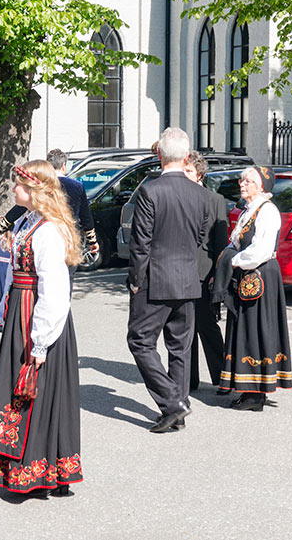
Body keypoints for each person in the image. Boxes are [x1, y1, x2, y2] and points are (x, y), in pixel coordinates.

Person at [0, 160, 83, 495]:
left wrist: (40, 342)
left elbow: (54, 290)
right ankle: (18, 464)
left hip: (38, 318)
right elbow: (15, 274)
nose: (13, 190)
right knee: (18, 390)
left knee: (38, 391)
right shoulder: (26, 222)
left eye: (18, 185)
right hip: (21, 314)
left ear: (35, 190)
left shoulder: (48, 230)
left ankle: (39, 470)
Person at [126, 127, 210, 433]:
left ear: (160, 155)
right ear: (186, 156)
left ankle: (173, 403)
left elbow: (140, 243)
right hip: (188, 279)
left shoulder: (150, 190)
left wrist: (135, 280)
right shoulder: (202, 194)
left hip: (155, 280)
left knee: (140, 341)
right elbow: (200, 237)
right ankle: (178, 404)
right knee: (180, 347)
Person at [213, 166, 292, 411]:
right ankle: (248, 389)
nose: (241, 183)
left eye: (247, 180)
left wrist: (231, 262)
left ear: (261, 186)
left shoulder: (267, 212)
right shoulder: (251, 209)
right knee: (245, 328)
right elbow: (236, 241)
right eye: (242, 179)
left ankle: (257, 393)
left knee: (257, 329)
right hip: (248, 274)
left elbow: (259, 251)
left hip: (260, 274)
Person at [0, 149, 99, 274]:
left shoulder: (42, 185)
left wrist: (1, 226)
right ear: (63, 166)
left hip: (43, 231)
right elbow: (86, 217)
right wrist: (92, 241)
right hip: (69, 237)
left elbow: (19, 208)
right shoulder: (77, 186)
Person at [181, 151, 228, 391]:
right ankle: (189, 379)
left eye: (188, 171)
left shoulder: (215, 200)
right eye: (183, 170)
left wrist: (216, 276)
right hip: (181, 271)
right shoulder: (179, 197)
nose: (184, 174)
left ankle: (222, 376)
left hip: (204, 271)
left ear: (199, 173)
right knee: (184, 327)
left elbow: (221, 242)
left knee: (206, 325)